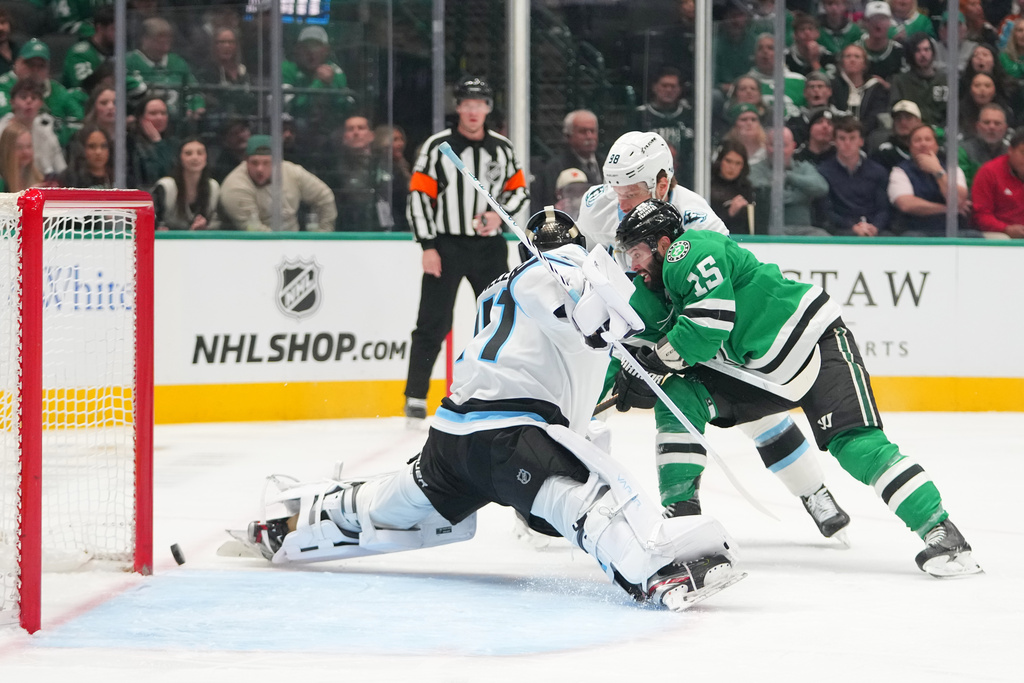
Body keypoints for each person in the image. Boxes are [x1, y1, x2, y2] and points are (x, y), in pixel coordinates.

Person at [241, 208, 745, 611]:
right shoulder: (559, 272)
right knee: (585, 501)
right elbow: (576, 316)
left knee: (387, 502)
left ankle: (295, 520)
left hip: (451, 435)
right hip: (509, 437)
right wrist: (603, 328)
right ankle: (657, 574)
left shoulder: (495, 288)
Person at [614, 198, 982, 578]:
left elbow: (708, 327)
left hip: (814, 345)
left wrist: (652, 361)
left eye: (637, 253)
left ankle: (943, 533)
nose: (634, 266)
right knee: (678, 396)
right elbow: (622, 349)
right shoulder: (653, 293)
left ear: (662, 243)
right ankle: (683, 527)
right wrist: (615, 379)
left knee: (857, 446)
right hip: (757, 374)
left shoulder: (690, 249)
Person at [577, 131, 849, 540]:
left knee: (759, 414)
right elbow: (579, 261)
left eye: (631, 192)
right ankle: (560, 498)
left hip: (690, 329)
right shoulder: (599, 206)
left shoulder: (699, 220)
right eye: (617, 190)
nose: (621, 203)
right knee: (583, 401)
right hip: (625, 325)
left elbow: (708, 310)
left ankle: (814, 491)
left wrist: (658, 356)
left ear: (662, 183)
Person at [402, 77, 528, 421]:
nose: (473, 111)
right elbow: (418, 196)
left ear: (488, 108)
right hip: (446, 245)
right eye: (467, 104)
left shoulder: (502, 148)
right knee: (432, 321)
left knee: (499, 321)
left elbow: (519, 192)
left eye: (480, 104)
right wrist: (428, 245)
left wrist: (497, 216)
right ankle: (415, 396)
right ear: (457, 107)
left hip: (489, 248)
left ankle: (497, 390)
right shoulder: (437, 146)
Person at [219, 133, 337, 232]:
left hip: (295, 242)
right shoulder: (234, 186)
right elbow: (254, 230)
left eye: (266, 163)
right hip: (256, 248)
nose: (260, 169)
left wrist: (323, 235)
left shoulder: (293, 172)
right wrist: (282, 245)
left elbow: (325, 196)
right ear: (245, 161)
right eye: (254, 163)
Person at [887, 124, 975, 236]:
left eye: (928, 139)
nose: (923, 144)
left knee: (974, 237)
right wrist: (947, 209)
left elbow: (957, 200)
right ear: (910, 147)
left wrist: (938, 171)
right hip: (916, 229)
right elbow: (906, 204)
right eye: (917, 140)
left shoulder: (953, 169)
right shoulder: (900, 171)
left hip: (953, 229)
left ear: (936, 145)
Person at [0, 39, 84, 147]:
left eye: (41, 66)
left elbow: (78, 122)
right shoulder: (3, 85)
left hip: (51, 149)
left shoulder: (57, 90)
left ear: (48, 70)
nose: (35, 70)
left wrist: (55, 136)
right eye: (29, 64)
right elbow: (8, 119)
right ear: (17, 63)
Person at [817, 116, 892, 236]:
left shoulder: (878, 171)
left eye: (852, 138)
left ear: (861, 141)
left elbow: (884, 209)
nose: (847, 143)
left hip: (874, 229)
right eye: (842, 138)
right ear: (834, 141)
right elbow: (827, 211)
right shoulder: (824, 172)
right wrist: (851, 227)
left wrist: (875, 227)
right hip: (841, 230)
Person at [749, 126, 830, 235]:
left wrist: (789, 177)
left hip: (805, 231)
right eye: (773, 145)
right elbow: (764, 196)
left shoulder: (804, 168)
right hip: (770, 231)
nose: (778, 151)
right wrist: (804, 195)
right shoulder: (755, 169)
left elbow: (822, 187)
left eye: (784, 145)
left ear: (793, 146)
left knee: (824, 237)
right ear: (766, 146)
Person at [125, 17, 205, 124]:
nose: (164, 48)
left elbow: (194, 92)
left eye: (167, 43)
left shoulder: (177, 62)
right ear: (144, 39)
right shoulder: (128, 63)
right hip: (141, 123)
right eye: (159, 43)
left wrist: (195, 107)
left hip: (177, 123)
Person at [630, 67, 695, 187]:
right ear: (655, 87)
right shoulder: (640, 115)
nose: (669, 90)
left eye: (673, 86)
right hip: (649, 181)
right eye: (664, 86)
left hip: (683, 181)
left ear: (680, 89)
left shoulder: (689, 115)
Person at [531, 109, 602, 214]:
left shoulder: (606, 164)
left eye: (592, 131)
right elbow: (544, 203)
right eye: (583, 131)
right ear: (568, 136)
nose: (589, 136)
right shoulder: (554, 168)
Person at [331, 113, 394, 232]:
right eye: (350, 129)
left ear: (371, 136)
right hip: (347, 230)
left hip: (384, 231)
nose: (356, 133)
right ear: (344, 137)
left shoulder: (386, 164)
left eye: (361, 128)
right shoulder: (335, 168)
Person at [282, 25, 352, 130]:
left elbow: (348, 108)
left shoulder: (335, 71)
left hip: (328, 126)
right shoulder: (288, 68)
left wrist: (331, 84)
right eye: (306, 46)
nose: (310, 52)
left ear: (327, 50)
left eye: (316, 46)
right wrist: (318, 82)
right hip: (294, 126)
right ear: (297, 49)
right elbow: (292, 108)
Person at [0, 78, 65, 182]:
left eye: (34, 98)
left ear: (41, 103)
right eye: (23, 97)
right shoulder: (2, 130)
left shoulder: (46, 132)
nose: (29, 101)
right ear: (12, 102)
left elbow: (61, 170)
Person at [152, 137, 220, 231]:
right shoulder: (166, 186)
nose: (195, 157)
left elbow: (218, 222)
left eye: (200, 153)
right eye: (188, 153)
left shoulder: (213, 187)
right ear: (179, 159)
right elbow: (151, 219)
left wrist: (205, 227)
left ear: (206, 158)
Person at [194, 26, 255, 124]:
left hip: (246, 120)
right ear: (214, 45)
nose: (227, 46)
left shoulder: (243, 71)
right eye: (222, 42)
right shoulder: (207, 72)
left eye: (231, 42)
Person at [970, 128, 1024, 238]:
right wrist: (1005, 229)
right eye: (1023, 153)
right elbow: (981, 215)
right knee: (1002, 239)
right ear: (1010, 150)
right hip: (1000, 233)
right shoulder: (989, 172)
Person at [890, 34, 949, 128]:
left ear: (933, 52)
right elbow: (896, 110)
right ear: (910, 53)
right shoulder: (900, 81)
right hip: (910, 130)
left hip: (943, 130)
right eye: (917, 50)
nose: (923, 54)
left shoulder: (945, 80)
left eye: (926, 49)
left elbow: (952, 111)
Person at [829, 43, 889, 136]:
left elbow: (876, 114)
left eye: (857, 57)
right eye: (848, 56)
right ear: (842, 63)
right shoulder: (833, 85)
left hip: (867, 135)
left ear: (864, 64)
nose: (852, 60)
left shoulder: (875, 88)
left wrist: (859, 131)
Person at [746, 33, 806, 118]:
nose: (765, 52)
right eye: (760, 48)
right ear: (755, 55)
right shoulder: (745, 83)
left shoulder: (799, 81)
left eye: (771, 48)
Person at [126, 94, 174, 190]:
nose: (159, 118)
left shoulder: (173, 143)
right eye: (153, 113)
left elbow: (172, 174)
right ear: (141, 118)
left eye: (163, 113)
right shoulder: (130, 143)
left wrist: (158, 142)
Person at [959, 103, 1012, 187]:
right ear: (978, 126)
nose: (991, 127)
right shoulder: (963, 151)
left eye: (997, 123)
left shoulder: (1011, 153)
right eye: (986, 122)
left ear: (1005, 128)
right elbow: (962, 186)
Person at [709, 139, 755, 234]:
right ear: (720, 161)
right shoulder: (707, 184)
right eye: (728, 161)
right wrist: (729, 213)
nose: (732, 167)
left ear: (743, 166)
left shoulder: (747, 188)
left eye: (738, 163)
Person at [856, 2, 907, 84]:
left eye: (882, 19)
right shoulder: (856, 51)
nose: (878, 23)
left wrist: (887, 87)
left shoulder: (898, 51)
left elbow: (904, 84)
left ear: (890, 23)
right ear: (866, 23)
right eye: (874, 19)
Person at [373, 123, 411, 232]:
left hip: (403, 222)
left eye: (401, 139)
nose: (400, 143)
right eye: (395, 140)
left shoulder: (403, 165)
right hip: (387, 224)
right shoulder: (378, 166)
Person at [869, 99, 924, 171]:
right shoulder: (883, 155)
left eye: (908, 118)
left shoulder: (931, 150)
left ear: (919, 122)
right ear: (893, 124)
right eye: (898, 118)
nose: (903, 122)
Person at [785, 12, 836, 78]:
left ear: (817, 33)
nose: (807, 33)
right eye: (802, 29)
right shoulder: (786, 58)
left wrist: (814, 61)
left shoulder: (828, 58)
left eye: (810, 29)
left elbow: (829, 83)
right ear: (795, 35)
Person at [0, 120, 43, 192]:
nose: (26, 152)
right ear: (7, 150)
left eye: (29, 146)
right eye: (19, 147)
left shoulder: (38, 179)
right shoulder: (1, 182)